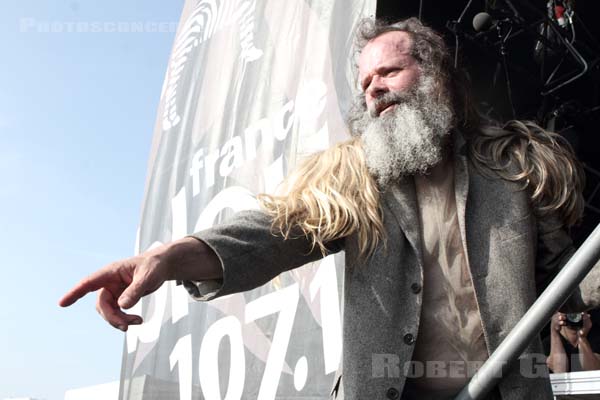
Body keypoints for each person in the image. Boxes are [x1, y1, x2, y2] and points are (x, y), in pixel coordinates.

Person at [59, 18, 599, 400]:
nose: (374, 90)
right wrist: (172, 255)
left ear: (436, 78)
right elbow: (275, 231)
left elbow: (567, 276)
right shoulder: (354, 180)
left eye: (389, 72)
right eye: (365, 83)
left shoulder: (516, 167)